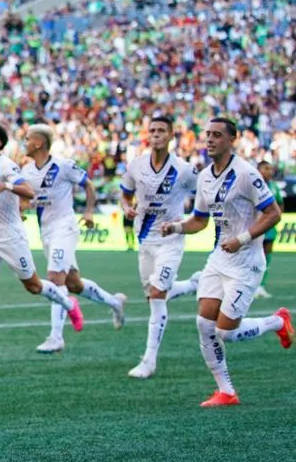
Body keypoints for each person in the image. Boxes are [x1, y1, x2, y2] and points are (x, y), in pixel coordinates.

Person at [159, 118, 292, 407]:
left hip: (245, 262)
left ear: (232, 140)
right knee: (204, 324)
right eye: (207, 134)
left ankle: (277, 321)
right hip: (219, 258)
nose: (209, 139)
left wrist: (242, 239)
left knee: (226, 332)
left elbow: (274, 213)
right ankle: (226, 392)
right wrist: (176, 226)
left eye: (217, 135)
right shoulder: (205, 176)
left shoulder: (246, 173)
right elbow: (199, 221)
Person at [0, 121, 84, 360]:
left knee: (34, 286)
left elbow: (29, 191)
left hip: (13, 237)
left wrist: (5, 185)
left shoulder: (6, 165)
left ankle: (69, 303)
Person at [21, 124, 126, 354]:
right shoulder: (27, 171)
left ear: (39, 143)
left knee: (54, 277)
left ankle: (56, 337)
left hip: (65, 227)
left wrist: (88, 211)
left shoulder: (63, 165)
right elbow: (27, 199)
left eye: (28, 139)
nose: (24, 143)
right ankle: (115, 303)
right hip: (46, 231)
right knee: (73, 284)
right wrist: (21, 209)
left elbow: (87, 184)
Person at [120, 116, 202, 379]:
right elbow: (125, 193)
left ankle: (149, 360)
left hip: (170, 240)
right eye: (152, 130)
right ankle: (191, 285)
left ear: (170, 136)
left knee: (157, 296)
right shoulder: (136, 165)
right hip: (144, 239)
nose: (155, 134)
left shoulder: (185, 169)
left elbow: (203, 196)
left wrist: (184, 222)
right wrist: (127, 208)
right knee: (153, 295)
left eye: (161, 131)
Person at [254, 161, 283, 298]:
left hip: (270, 227)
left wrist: (276, 218)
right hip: (255, 226)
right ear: (258, 170)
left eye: (271, 169)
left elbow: (280, 204)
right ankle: (251, 285)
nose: (269, 171)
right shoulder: (252, 184)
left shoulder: (275, 187)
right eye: (266, 168)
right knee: (253, 256)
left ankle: (261, 285)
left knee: (266, 256)